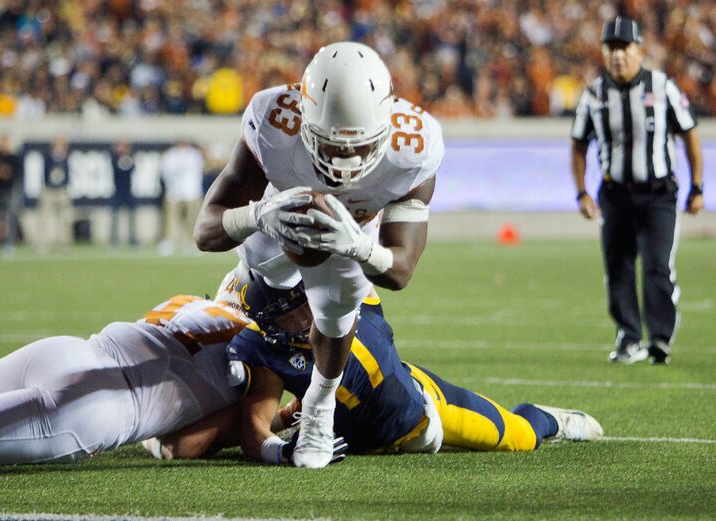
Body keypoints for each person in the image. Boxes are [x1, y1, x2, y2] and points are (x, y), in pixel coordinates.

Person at [194, 42, 444, 467]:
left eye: (358, 147)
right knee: (266, 275)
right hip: (277, 231)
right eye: (330, 146)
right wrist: (259, 215)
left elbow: (400, 271)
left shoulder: (413, 146)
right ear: (305, 123)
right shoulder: (275, 120)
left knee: (340, 306)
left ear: (385, 129)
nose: (344, 161)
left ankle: (318, 410)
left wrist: (361, 245)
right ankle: (290, 386)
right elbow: (206, 231)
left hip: (348, 250)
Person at [144, 268, 603, 465]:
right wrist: (283, 449)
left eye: (304, 303)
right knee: (186, 442)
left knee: (519, 439)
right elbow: (253, 427)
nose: (304, 318)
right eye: (289, 314)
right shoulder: (267, 349)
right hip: (362, 442)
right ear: (268, 321)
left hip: (423, 411)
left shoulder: (350, 291)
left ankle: (551, 419)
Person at [0, 294, 248, 467]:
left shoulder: (195, 302)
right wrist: (275, 419)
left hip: (65, 351)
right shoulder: (257, 355)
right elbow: (179, 446)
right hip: (98, 406)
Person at [570, 17, 704, 365]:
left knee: (657, 266)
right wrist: (582, 192)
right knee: (619, 267)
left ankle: (660, 338)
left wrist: (698, 186)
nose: (617, 56)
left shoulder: (663, 87)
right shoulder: (594, 94)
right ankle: (629, 337)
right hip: (615, 195)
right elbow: (578, 145)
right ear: (603, 52)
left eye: (623, 48)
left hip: (658, 194)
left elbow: (690, 135)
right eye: (610, 48)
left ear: (639, 50)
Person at [157, 141, 204, 256]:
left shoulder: (194, 155)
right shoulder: (170, 155)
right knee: (171, 220)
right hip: (174, 192)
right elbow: (165, 172)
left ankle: (192, 243)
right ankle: (169, 242)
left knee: (192, 220)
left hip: (191, 192)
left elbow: (198, 171)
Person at [38, 136, 73, 252]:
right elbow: (44, 173)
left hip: (62, 190)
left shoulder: (66, 158)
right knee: (44, 217)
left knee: (65, 218)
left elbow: (69, 174)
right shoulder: (48, 157)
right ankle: (43, 242)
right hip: (49, 190)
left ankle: (65, 242)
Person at [109, 141, 138, 247]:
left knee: (132, 218)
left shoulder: (130, 158)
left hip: (128, 192)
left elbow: (131, 167)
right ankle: (114, 240)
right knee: (115, 218)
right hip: (118, 192)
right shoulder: (114, 159)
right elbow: (117, 167)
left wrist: (127, 154)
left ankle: (133, 240)